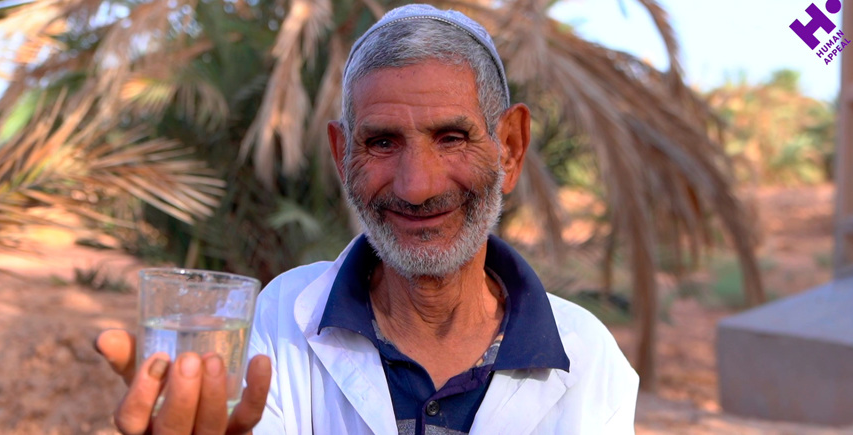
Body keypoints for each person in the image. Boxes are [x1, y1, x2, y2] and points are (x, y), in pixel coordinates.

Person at [96, 4, 639, 434]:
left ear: (511, 150)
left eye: (451, 138)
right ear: (342, 157)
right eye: (381, 142)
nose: (416, 185)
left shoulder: (590, 360)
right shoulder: (282, 319)